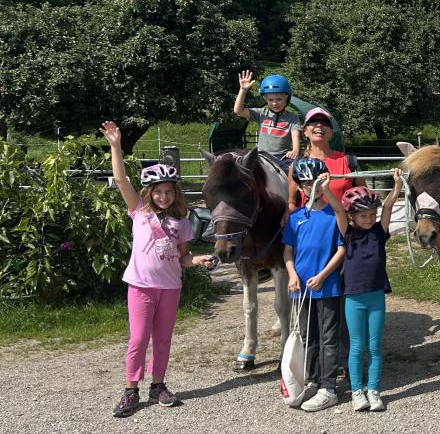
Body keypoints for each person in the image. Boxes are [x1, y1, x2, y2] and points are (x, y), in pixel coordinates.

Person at [103, 121, 215, 417]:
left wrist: (197, 261)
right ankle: (131, 390)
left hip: (170, 288)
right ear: (149, 192)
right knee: (139, 339)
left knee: (163, 339)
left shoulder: (182, 223)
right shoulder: (139, 212)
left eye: (168, 191)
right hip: (141, 286)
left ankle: (158, 385)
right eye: (158, 192)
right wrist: (116, 146)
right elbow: (121, 180)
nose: (163, 196)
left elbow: (183, 257)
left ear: (175, 193)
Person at [321, 170, 403, 413]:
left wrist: (397, 185)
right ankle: (357, 391)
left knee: (375, 347)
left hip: (376, 296)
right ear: (352, 216)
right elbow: (338, 210)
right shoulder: (348, 233)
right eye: (363, 215)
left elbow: (388, 207)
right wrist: (326, 189)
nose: (369, 219)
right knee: (357, 346)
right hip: (354, 298)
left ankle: (373, 390)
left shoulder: (379, 232)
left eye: (371, 214)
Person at [283, 159, 346, 412]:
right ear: (300, 187)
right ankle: (313, 379)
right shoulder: (295, 217)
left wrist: (323, 275)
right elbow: (288, 251)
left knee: (329, 337)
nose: (313, 187)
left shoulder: (335, 214)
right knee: (307, 336)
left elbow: (342, 249)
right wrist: (291, 275)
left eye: (318, 182)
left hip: (327, 286)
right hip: (300, 289)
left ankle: (329, 388)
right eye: (308, 183)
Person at [234, 71, 302, 169]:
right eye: (270, 100)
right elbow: (238, 110)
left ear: (286, 97)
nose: (274, 103)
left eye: (279, 99)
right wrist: (243, 90)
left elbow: (295, 137)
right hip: (261, 157)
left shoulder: (292, 118)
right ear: (265, 99)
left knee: (294, 173)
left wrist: (295, 150)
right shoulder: (262, 113)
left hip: (282, 158)